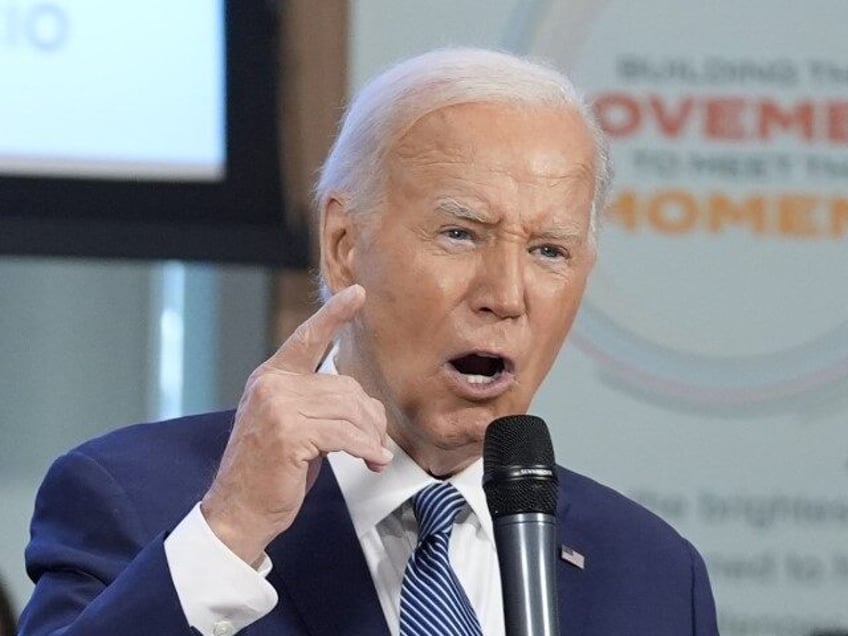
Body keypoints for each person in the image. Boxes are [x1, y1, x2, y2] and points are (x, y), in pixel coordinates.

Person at [19, 48, 719, 635]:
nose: (506, 295)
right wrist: (229, 532)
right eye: (461, 233)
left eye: (549, 251)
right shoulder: (139, 500)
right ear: (344, 244)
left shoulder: (654, 575)